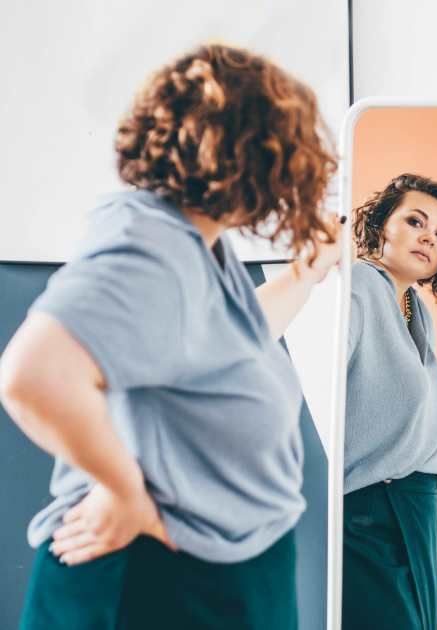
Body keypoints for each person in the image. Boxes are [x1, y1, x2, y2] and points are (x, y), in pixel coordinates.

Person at [0, 44, 340, 630]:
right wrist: (123, 491)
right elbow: (33, 373)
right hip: (158, 582)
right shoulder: (151, 248)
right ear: (253, 156)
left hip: (216, 576)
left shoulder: (195, 243)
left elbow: (228, 346)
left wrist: (301, 279)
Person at [342, 172, 437, 630]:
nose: (428, 239)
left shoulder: (415, 311)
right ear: (382, 224)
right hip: (371, 512)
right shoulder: (357, 288)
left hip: (416, 513)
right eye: (415, 221)